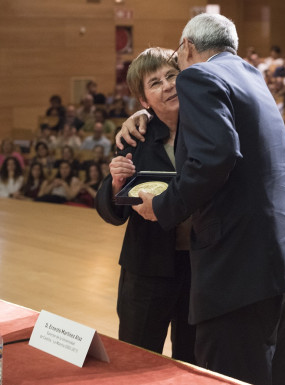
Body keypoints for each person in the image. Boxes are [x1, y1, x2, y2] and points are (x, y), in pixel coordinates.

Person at [131, 14, 285, 385]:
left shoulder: (198, 76)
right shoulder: (251, 74)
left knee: (227, 376)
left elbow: (215, 156)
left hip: (241, 267)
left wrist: (164, 206)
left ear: (187, 47)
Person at [95, 47, 196, 363]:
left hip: (202, 267)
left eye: (171, 76)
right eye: (155, 83)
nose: (167, 86)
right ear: (143, 101)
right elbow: (114, 213)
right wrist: (116, 183)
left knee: (192, 362)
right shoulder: (135, 137)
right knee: (136, 360)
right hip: (147, 267)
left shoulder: (209, 131)